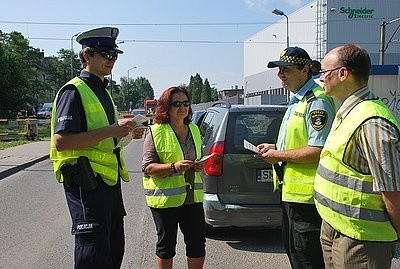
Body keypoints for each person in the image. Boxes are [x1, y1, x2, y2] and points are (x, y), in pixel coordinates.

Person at [50, 27, 143, 269]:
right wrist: (113, 130)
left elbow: (105, 140)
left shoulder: (102, 91)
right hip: (85, 182)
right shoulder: (74, 91)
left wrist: (128, 133)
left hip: (108, 185)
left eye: (114, 55)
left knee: (112, 250)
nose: (111, 60)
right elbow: (62, 142)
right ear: (87, 56)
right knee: (93, 254)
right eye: (105, 54)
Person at [314, 44, 400, 269]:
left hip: (361, 240)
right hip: (336, 226)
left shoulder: (372, 122)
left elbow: (392, 191)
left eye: (324, 73)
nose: (321, 78)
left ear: (343, 73)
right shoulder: (348, 111)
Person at [257, 47, 335, 268]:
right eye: (279, 69)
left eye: (286, 69)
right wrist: (274, 147)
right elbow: (300, 142)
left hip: (309, 199)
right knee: (296, 255)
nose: (280, 74)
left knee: (308, 259)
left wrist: (278, 155)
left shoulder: (316, 101)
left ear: (305, 69)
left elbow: (318, 149)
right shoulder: (297, 100)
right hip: (292, 195)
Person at [142, 86, 206, 269]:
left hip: (192, 196)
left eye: (185, 103)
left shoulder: (193, 129)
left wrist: (199, 164)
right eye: (176, 103)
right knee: (166, 246)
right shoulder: (156, 131)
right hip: (165, 199)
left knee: (197, 244)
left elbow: (198, 156)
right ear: (165, 107)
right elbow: (147, 167)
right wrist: (174, 167)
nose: (182, 107)